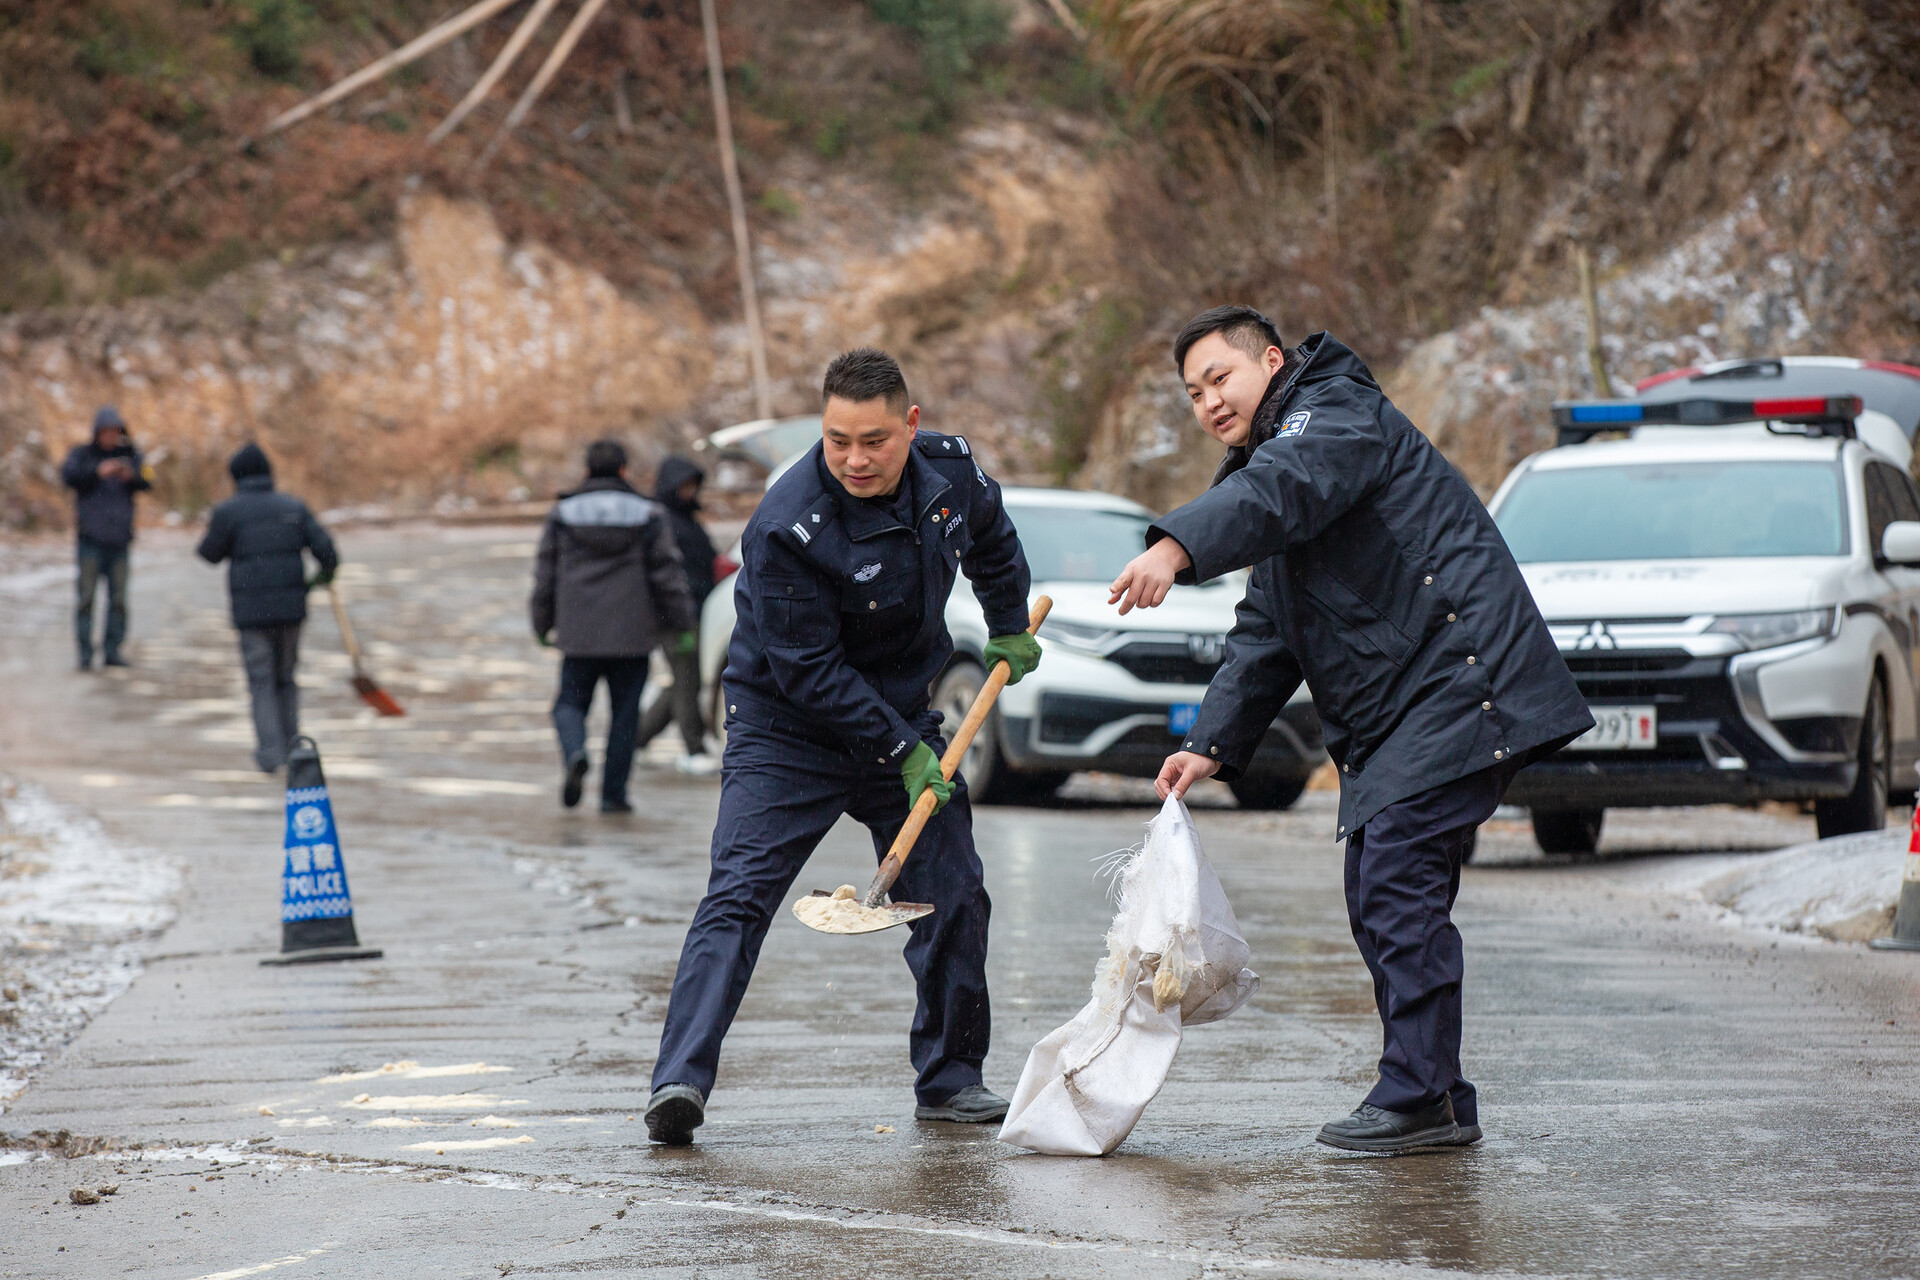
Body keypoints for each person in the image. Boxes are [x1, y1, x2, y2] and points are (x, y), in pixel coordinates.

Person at [1109, 306, 1592, 1153]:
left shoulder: (1331, 413)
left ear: (1270, 360)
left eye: (1220, 378)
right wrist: (1211, 743)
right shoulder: (1275, 465)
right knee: (1379, 889)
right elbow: (1266, 626)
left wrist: (1176, 545)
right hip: (1407, 704)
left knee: (1398, 881)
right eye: (1192, 394)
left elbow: (1282, 487)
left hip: (1459, 680)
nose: (1209, 403)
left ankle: (1417, 1097)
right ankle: (1437, 1091)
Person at [643, 348, 1040, 1146]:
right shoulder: (788, 524)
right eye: (837, 441)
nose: (855, 459)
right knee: (739, 895)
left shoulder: (952, 474)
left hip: (900, 709)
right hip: (787, 729)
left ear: (912, 426)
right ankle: (678, 1082)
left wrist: (1004, 620)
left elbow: (993, 538)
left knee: (955, 890)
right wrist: (904, 752)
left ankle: (953, 1080)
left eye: (875, 440)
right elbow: (807, 671)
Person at [530, 439, 697, 813]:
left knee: (569, 704)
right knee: (624, 715)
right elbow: (668, 576)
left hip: (579, 635)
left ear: (588, 470)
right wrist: (683, 624)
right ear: (623, 471)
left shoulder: (562, 514)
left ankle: (576, 752)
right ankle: (613, 796)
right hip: (631, 636)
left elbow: (545, 575)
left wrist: (541, 623)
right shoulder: (648, 514)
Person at [196, 442, 340, 773]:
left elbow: (208, 554)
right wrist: (321, 578)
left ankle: (269, 754)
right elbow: (328, 552)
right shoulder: (293, 506)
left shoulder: (228, 512)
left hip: (250, 614)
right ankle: (293, 749)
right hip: (291, 609)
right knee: (286, 679)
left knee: (260, 681)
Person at [635, 456, 720, 769]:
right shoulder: (663, 520)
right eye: (684, 485)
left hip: (694, 611)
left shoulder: (684, 518)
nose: (690, 491)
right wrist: (676, 616)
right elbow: (666, 574)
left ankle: (636, 738)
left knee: (685, 682)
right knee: (687, 680)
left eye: (693, 485)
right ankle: (694, 748)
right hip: (674, 615)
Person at [61, 406, 152, 669]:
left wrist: (131, 475)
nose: (111, 436)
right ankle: (85, 654)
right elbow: (68, 477)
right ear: (97, 432)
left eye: (115, 431)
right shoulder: (82, 455)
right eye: (106, 431)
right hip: (90, 539)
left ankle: (113, 652)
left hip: (120, 541)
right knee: (86, 599)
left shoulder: (131, 454)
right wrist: (97, 472)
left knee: (119, 601)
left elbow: (149, 480)